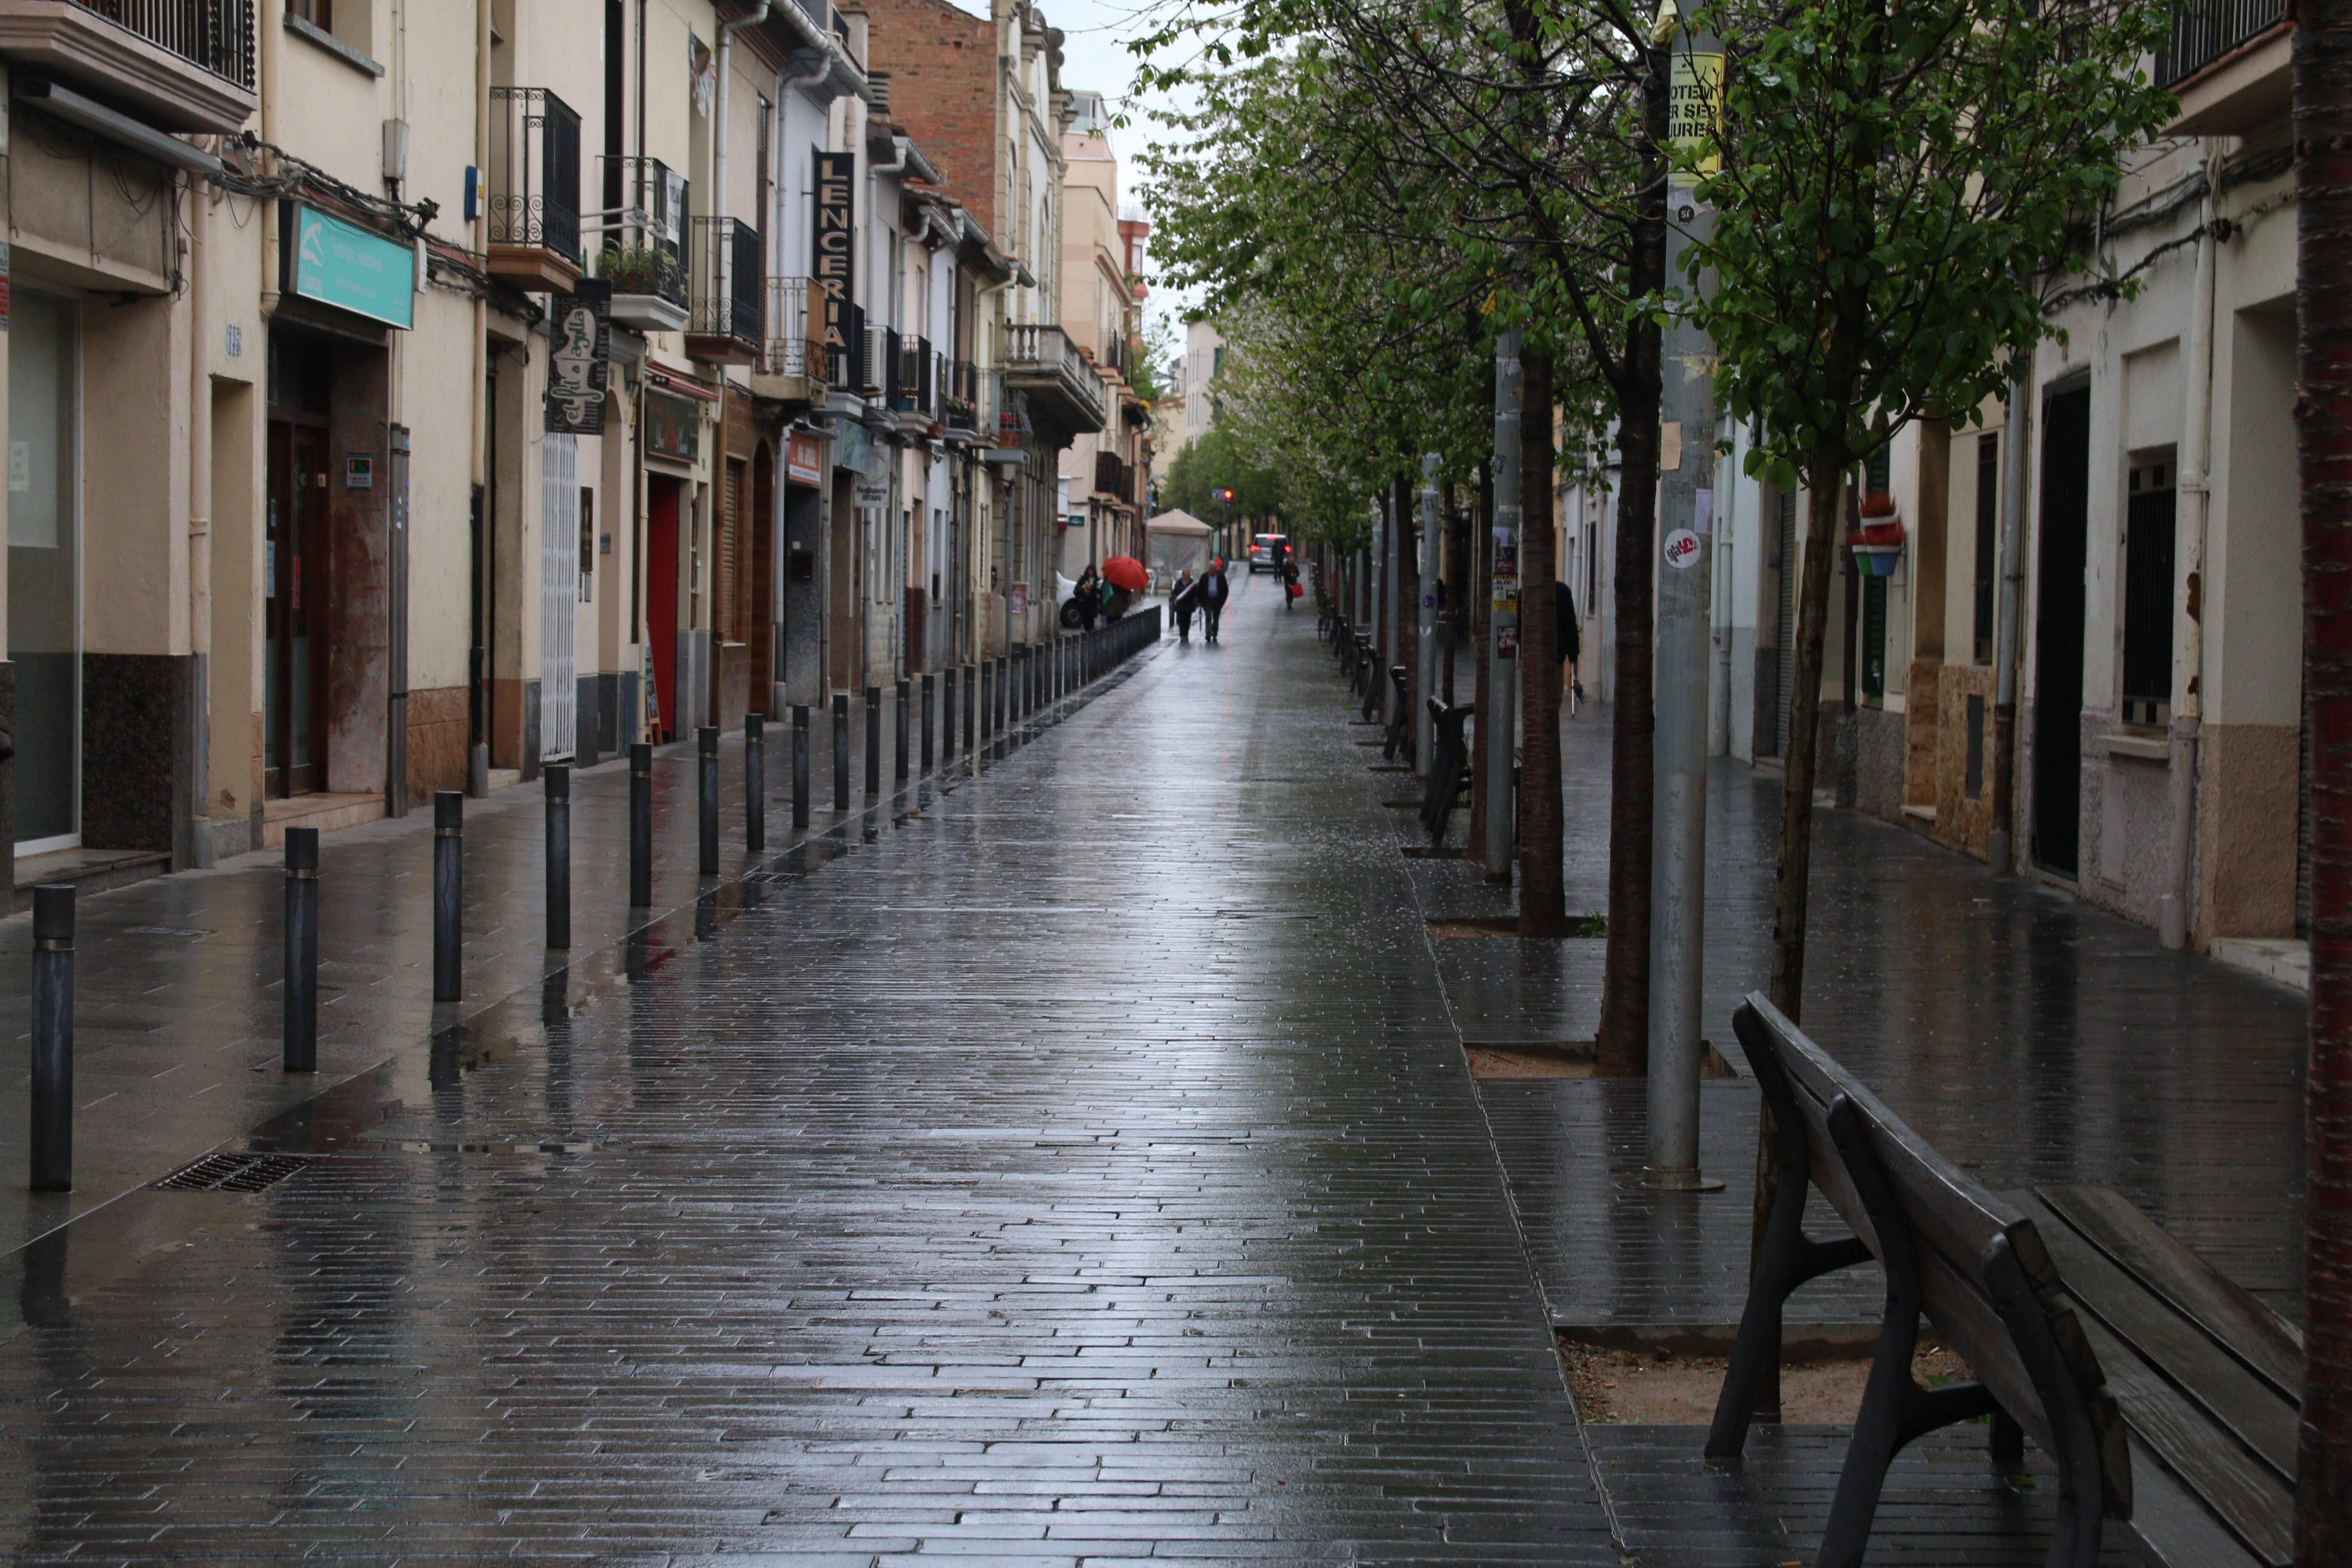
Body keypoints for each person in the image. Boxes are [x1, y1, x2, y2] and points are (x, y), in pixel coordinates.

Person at [1556, 578, 1584, 709]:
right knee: (1555, 698)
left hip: (1547, 657)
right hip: (1557, 657)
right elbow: (1570, 627)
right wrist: (1573, 655)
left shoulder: (1526, 593)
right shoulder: (1562, 592)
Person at [1197, 557, 1231, 644]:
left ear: (1216, 569)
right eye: (1211, 569)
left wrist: (1222, 602)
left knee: (1216, 618)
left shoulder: (1221, 577)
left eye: (1214, 569)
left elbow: (1226, 590)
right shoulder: (1204, 577)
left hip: (1217, 601)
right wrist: (1200, 602)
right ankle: (1208, 633)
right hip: (1207, 600)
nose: (1213, 571)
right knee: (1208, 616)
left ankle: (1215, 634)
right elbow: (1199, 589)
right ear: (1209, 569)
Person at [1169, 567, 1199, 643]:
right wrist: (1175, 597)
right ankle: (1182, 635)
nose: (1187, 577)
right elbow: (1174, 592)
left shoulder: (1192, 584)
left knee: (1187, 621)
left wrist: (1193, 590)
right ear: (1183, 576)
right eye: (1185, 575)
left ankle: (1186, 634)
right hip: (1180, 606)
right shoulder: (1178, 583)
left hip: (1189, 606)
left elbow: (1196, 594)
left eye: (1188, 575)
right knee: (1181, 621)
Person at [1073, 566, 1102, 632]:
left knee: (1091, 618)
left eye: (1091, 570)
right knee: (1086, 619)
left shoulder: (1097, 580)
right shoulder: (1083, 579)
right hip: (1085, 602)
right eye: (1089, 570)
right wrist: (1083, 590)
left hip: (1093, 602)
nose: (1090, 572)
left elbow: (1100, 591)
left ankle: (1091, 631)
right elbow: (1077, 590)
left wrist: (1093, 589)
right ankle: (1087, 631)